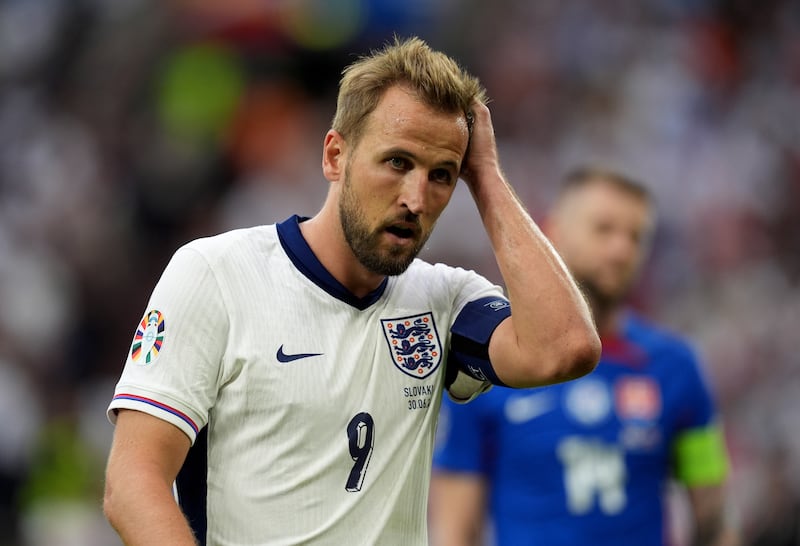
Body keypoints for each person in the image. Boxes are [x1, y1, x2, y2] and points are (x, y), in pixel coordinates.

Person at [102, 36, 601, 545]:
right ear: (336, 156)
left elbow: (566, 348)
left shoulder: (446, 302)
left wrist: (488, 176)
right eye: (398, 163)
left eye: (442, 176)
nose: (416, 198)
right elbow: (133, 482)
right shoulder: (215, 273)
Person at [430, 167, 737, 546]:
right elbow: (454, 530)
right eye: (604, 230)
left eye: (635, 236)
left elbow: (712, 514)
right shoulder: (488, 365)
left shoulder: (677, 367)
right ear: (552, 233)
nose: (622, 249)